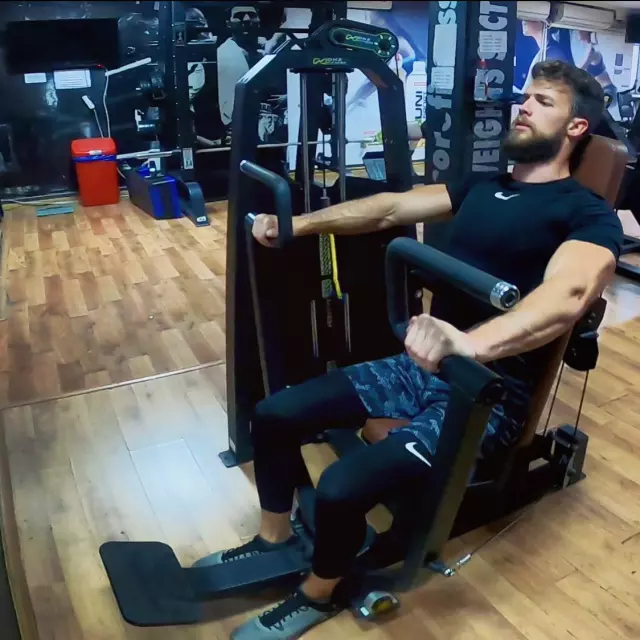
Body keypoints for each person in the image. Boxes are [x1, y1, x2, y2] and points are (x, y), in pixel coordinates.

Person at [215, 60, 624, 639]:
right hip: (421, 367)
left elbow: (571, 293)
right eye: (525, 97)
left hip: (487, 394)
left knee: (340, 487)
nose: (523, 107)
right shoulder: (483, 185)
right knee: (274, 414)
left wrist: (470, 343)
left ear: (576, 127)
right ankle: (273, 536)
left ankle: (318, 595)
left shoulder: (585, 213)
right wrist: (298, 224)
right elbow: (388, 207)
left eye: (542, 101)